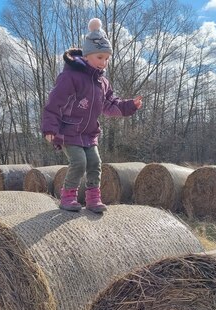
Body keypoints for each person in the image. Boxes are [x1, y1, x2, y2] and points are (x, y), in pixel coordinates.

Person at [41, 18, 142, 213]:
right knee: (79, 162)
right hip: (69, 131)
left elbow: (111, 103)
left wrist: (130, 105)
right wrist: (50, 128)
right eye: (99, 57)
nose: (103, 63)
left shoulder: (102, 82)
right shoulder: (70, 77)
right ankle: (67, 196)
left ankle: (93, 198)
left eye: (106, 58)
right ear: (87, 55)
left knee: (95, 163)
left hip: (89, 133)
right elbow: (54, 103)